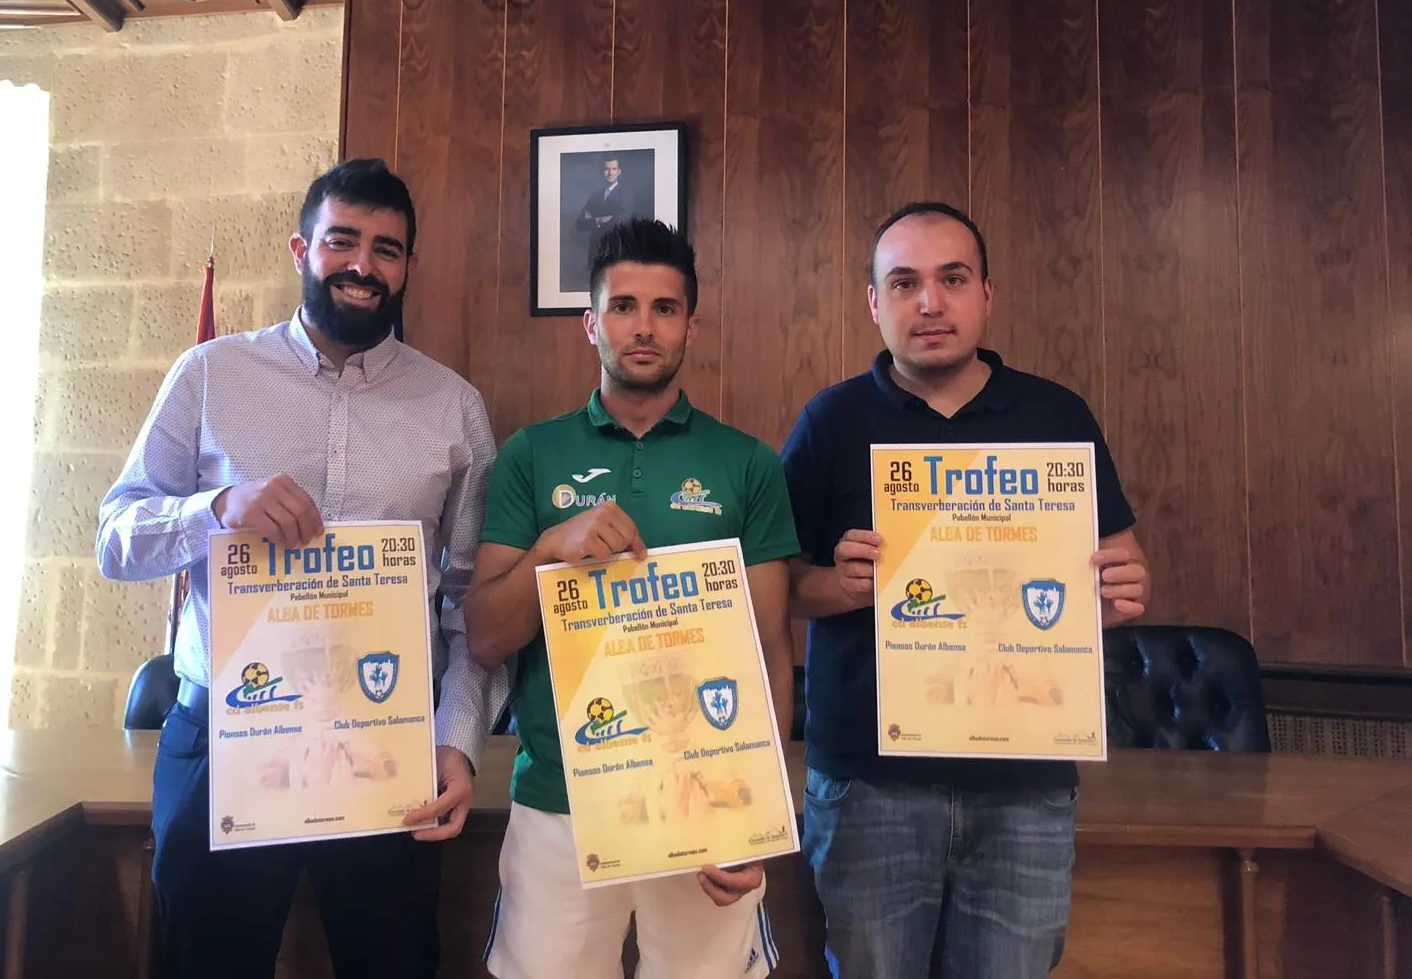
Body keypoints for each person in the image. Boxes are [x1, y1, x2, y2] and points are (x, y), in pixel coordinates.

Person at [96, 158, 508, 979]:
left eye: (386, 250)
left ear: (408, 268)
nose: (363, 266)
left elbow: (470, 607)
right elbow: (115, 539)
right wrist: (213, 509)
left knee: (392, 963)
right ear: (301, 248)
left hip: (387, 744)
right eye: (342, 241)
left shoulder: (455, 407)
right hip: (223, 736)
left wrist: (456, 741)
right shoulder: (211, 374)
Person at [781, 201, 1152, 979]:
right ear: (875, 304)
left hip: (1026, 782)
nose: (930, 302)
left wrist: (1121, 592)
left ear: (988, 292)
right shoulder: (831, 423)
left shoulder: (1058, 415)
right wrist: (839, 585)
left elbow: (1116, 568)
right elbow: (779, 589)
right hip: (871, 782)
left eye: (952, 279)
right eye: (905, 282)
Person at [466, 218, 800, 978]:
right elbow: (486, 635)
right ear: (591, 322)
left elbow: (771, 648)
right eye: (623, 306)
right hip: (559, 797)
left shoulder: (747, 463)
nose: (642, 327)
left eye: (664, 308)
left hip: (706, 796)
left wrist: (758, 821)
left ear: (690, 324)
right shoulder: (531, 454)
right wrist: (552, 548)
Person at [575, 156, 632, 232]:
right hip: (597, 241)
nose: (610, 173)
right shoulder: (595, 196)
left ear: (619, 172)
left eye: (614, 169)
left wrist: (593, 217)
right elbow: (580, 222)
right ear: (602, 171)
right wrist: (598, 220)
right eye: (607, 169)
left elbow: (624, 219)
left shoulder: (626, 194)